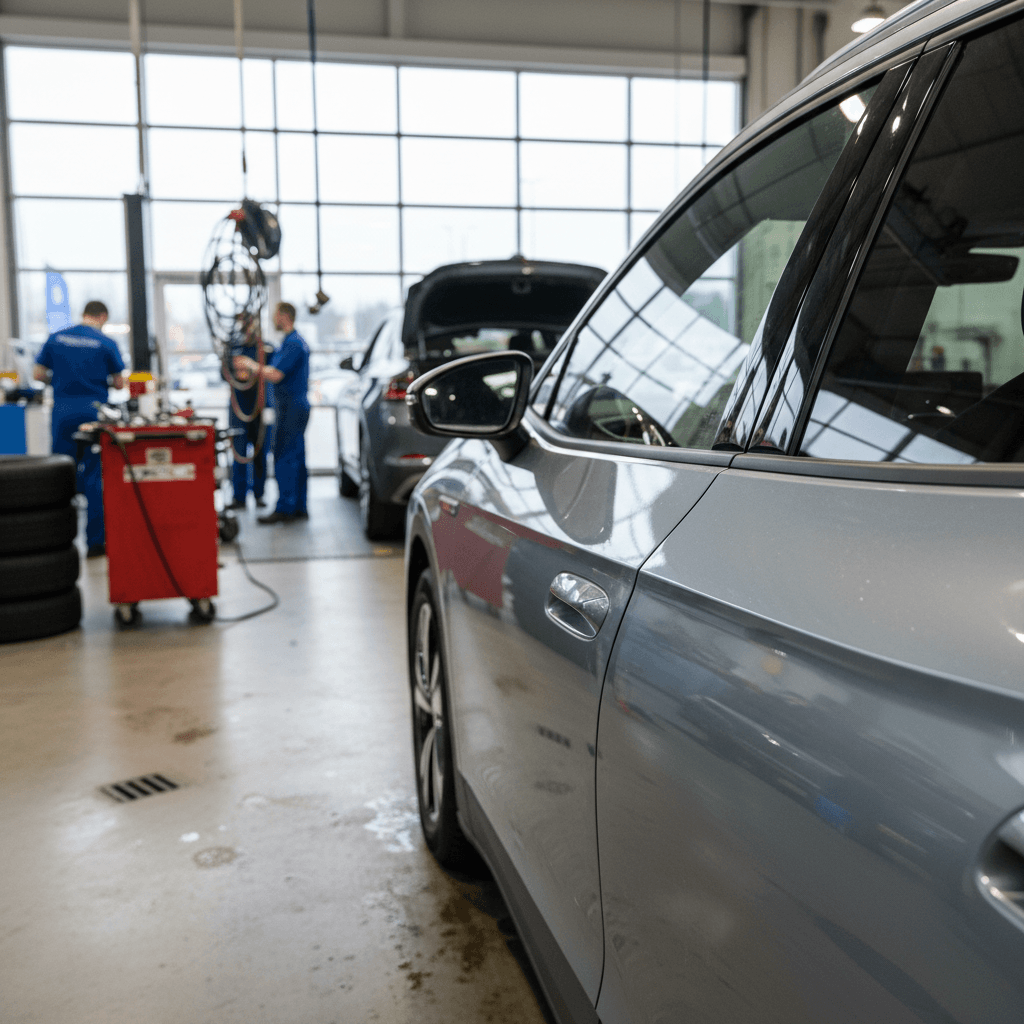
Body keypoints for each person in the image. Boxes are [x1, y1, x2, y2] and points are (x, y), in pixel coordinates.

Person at [33, 300, 126, 556]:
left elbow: (38, 374)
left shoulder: (56, 338)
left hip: (62, 411)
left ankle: (57, 540)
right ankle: (95, 543)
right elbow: (119, 383)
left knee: (61, 474)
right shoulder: (106, 343)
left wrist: (63, 379)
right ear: (103, 316)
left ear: (83, 314)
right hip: (94, 412)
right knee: (96, 475)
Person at [234, 301, 309, 523]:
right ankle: (298, 506)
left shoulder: (293, 343)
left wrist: (250, 365)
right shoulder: (289, 342)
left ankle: (285, 507)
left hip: (291, 407)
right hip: (291, 406)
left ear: (284, 316)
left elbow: (275, 374)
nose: (273, 320)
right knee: (296, 456)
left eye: (275, 315)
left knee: (285, 456)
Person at [224, 312, 272, 510]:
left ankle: (259, 494)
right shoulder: (232, 347)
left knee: (260, 451)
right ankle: (239, 497)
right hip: (238, 407)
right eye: (242, 322)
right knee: (239, 452)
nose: (245, 326)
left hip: (260, 406)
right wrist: (236, 373)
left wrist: (253, 369)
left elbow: (274, 372)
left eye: (248, 322)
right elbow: (223, 372)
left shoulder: (266, 348)